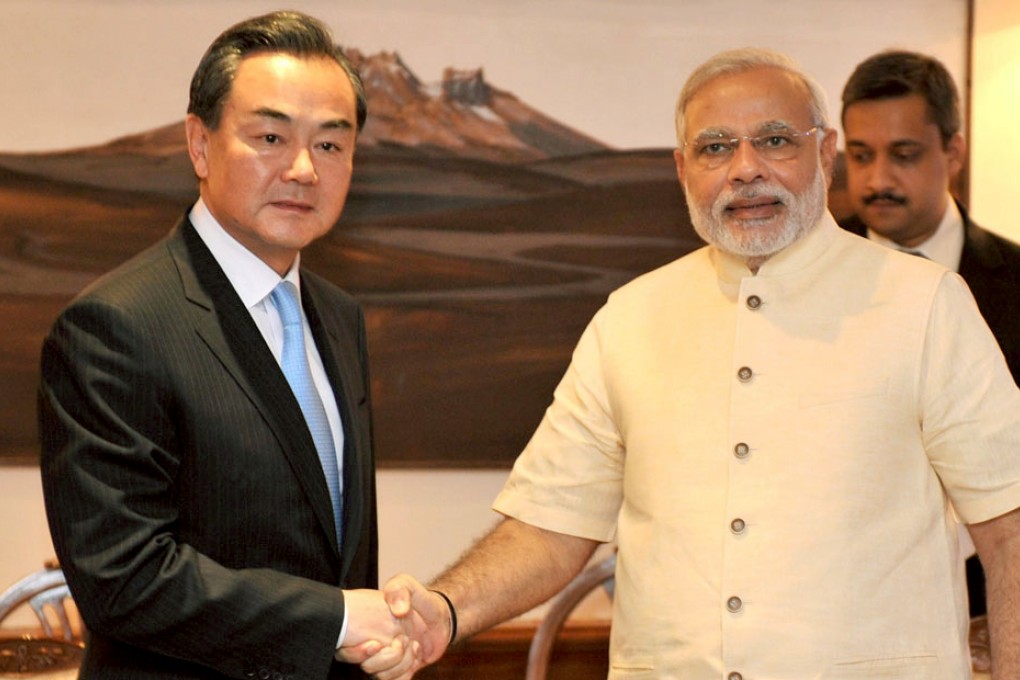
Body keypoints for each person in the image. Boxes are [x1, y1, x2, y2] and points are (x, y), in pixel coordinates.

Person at [350, 48, 1020, 679]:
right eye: (716, 147)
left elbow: (1010, 527)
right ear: (682, 169)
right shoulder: (630, 319)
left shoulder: (925, 304)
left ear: (825, 152)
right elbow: (550, 526)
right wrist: (443, 610)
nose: (746, 167)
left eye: (776, 139)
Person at [39, 11, 422, 680]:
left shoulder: (338, 316)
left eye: (331, 146)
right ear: (199, 143)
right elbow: (122, 579)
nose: (303, 169)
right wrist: (334, 617)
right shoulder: (115, 324)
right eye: (270, 136)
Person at [839, 50, 1020, 626]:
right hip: (840, 607)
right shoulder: (798, 280)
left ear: (954, 152)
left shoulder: (1016, 283)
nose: (877, 180)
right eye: (861, 156)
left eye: (904, 155)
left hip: (991, 604)